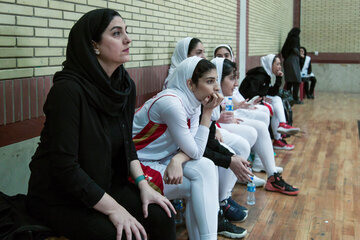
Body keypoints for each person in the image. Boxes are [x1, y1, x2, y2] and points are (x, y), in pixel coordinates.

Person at [26, 9, 176, 240]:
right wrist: (115, 209)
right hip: (59, 196)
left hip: (104, 183)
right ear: (93, 44)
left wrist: (143, 185)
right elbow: (65, 168)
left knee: (160, 215)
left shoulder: (124, 86)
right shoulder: (67, 91)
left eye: (127, 32)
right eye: (117, 33)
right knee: (115, 234)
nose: (128, 39)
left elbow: (128, 146)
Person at [133, 56, 223, 240]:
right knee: (196, 185)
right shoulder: (172, 103)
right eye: (210, 81)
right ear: (190, 83)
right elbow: (196, 150)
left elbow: (194, 148)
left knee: (206, 166)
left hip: (162, 158)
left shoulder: (193, 101)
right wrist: (207, 113)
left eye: (216, 81)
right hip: (137, 163)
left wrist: (178, 159)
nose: (217, 88)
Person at [213, 58, 299, 196]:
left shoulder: (220, 90)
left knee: (260, 123)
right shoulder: (202, 86)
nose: (236, 84)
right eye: (232, 78)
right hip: (214, 127)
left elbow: (232, 103)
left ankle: (271, 174)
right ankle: (226, 195)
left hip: (221, 121)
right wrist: (216, 121)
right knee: (249, 136)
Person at [239, 54, 301, 151]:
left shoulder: (266, 75)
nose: (279, 67)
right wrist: (263, 96)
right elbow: (250, 93)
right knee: (273, 106)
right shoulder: (259, 75)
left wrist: (278, 79)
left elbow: (272, 92)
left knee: (276, 99)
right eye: (277, 64)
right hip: (247, 102)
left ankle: (282, 125)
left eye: (280, 64)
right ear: (270, 64)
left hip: (256, 99)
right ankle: (278, 137)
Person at [281, 27, 303, 104]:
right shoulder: (295, 39)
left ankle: (288, 97)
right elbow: (294, 49)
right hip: (293, 60)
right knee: (297, 80)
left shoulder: (289, 38)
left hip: (287, 61)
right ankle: (295, 98)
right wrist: (300, 55)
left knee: (289, 81)